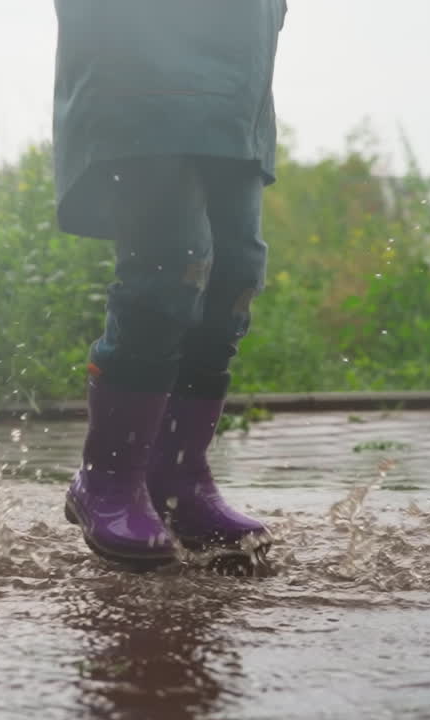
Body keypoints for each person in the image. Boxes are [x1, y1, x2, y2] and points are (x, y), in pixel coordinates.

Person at [54, 0, 287, 566]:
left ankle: (177, 479)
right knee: (170, 263)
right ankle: (108, 477)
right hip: (141, 62)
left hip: (240, 70)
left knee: (236, 272)